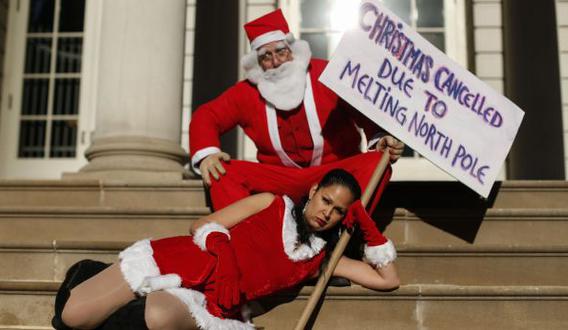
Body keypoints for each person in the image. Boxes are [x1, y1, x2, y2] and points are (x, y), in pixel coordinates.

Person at [54, 169, 399, 330]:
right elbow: (202, 225)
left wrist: (365, 223)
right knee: (71, 318)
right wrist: (228, 262)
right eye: (326, 200)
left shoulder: (322, 258)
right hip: (183, 261)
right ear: (312, 191)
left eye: (339, 210)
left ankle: (125, 303)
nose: (328, 212)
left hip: (210, 303)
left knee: (157, 319)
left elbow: (388, 280)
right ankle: (89, 274)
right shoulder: (270, 203)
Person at [189, 9, 405, 211]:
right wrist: (208, 154)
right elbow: (207, 115)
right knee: (221, 172)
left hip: (335, 175)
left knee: (377, 162)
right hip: (279, 182)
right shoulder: (247, 92)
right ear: (258, 63)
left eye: (281, 52)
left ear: (293, 50)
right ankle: (246, 238)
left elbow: (363, 108)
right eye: (266, 56)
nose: (276, 61)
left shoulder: (326, 73)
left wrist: (379, 138)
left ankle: (346, 232)